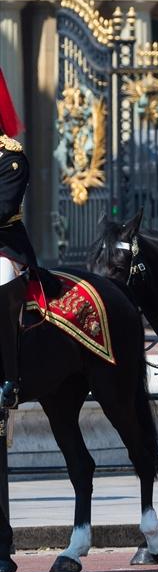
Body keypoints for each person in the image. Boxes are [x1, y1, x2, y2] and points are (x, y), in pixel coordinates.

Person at [0, 67, 42, 409]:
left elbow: (4, 208)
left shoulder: (11, 159)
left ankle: (9, 377)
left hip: (6, 247)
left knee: (0, 286)